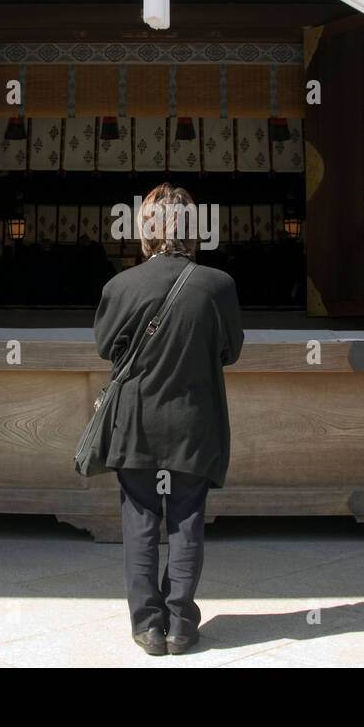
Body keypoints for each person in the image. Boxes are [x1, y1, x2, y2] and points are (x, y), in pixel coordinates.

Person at [93, 183, 244, 655]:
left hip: (136, 420)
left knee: (139, 519)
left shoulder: (121, 286)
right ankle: (180, 623)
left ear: (144, 230)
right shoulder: (218, 286)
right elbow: (230, 351)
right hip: (193, 420)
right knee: (186, 519)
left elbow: (106, 348)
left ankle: (147, 625)